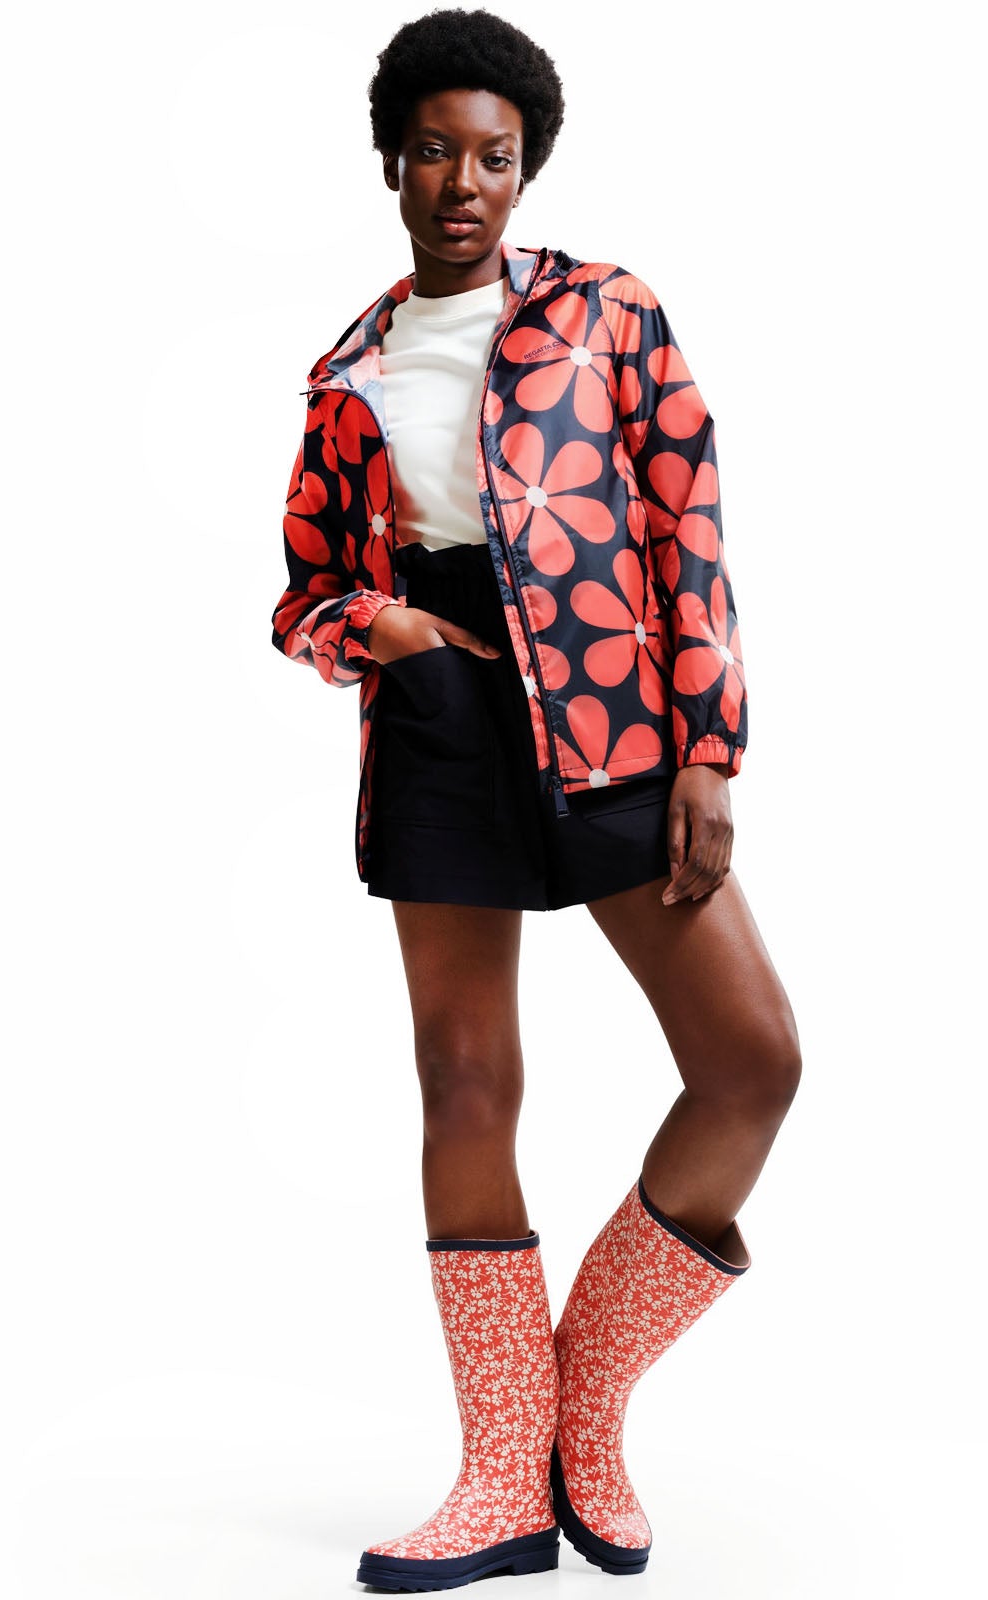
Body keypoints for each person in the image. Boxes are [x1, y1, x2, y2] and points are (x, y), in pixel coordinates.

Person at [270, 8, 802, 1590]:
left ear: (526, 172)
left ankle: (583, 1407)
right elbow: (301, 594)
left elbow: (687, 524)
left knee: (753, 1061)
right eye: (434, 150)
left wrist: (707, 746)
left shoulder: (607, 313)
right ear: (392, 163)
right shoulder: (346, 373)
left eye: (493, 157)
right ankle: (504, 1477)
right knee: (464, 1080)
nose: (462, 182)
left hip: (612, 700)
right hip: (440, 714)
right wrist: (380, 630)